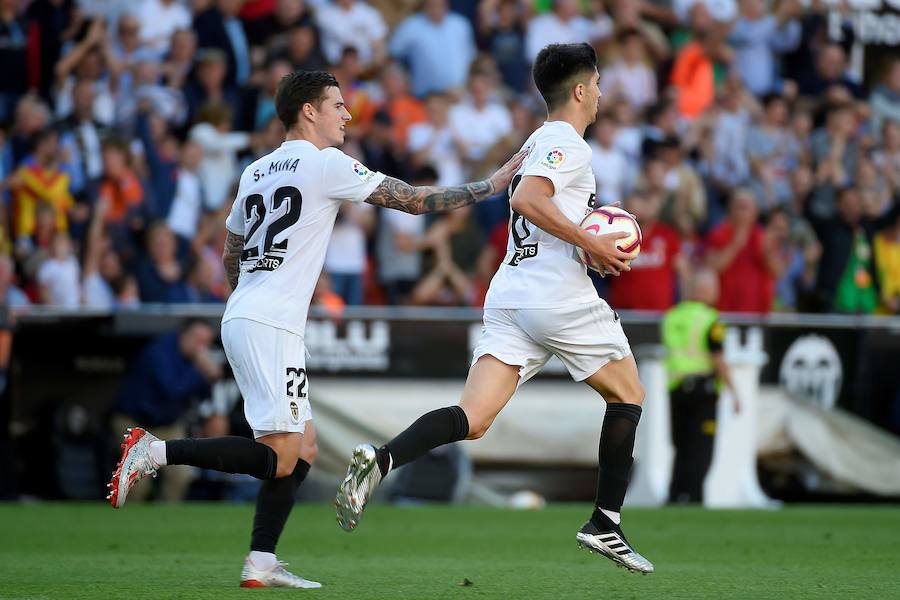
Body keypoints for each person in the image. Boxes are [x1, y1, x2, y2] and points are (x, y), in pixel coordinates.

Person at [107, 69, 525, 589]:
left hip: (249, 313)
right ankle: (155, 451)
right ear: (309, 110)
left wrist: (248, 297)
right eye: (338, 105)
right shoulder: (324, 163)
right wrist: (491, 184)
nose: (348, 114)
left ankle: (261, 563)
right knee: (280, 456)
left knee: (302, 447)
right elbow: (413, 201)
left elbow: (231, 249)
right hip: (270, 322)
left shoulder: (255, 171)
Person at [334, 43, 654, 574]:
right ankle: (606, 522)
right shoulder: (567, 143)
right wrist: (591, 243)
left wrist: (579, 233)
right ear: (579, 90)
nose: (600, 94)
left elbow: (515, 191)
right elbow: (527, 200)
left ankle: (382, 458)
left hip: (511, 294)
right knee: (629, 394)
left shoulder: (537, 139)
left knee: (473, 418)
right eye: (596, 84)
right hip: (557, 296)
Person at [111, 319, 222, 503]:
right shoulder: (159, 351)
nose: (201, 347)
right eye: (198, 340)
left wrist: (211, 377)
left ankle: (164, 522)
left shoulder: (193, 360)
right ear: (184, 335)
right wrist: (200, 369)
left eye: (206, 343)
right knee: (138, 481)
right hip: (134, 422)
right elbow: (172, 389)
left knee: (181, 475)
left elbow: (203, 395)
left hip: (167, 425)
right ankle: (128, 526)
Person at [661, 269, 739, 504]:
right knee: (701, 449)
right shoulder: (711, 319)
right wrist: (735, 392)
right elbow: (718, 358)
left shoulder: (672, 316)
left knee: (681, 446)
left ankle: (675, 496)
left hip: (676, 386)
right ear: (705, 291)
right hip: (703, 390)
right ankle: (694, 498)